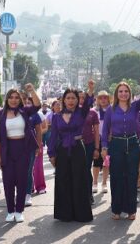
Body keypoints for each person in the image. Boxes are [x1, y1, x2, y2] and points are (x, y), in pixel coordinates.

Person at [47, 81, 95, 222]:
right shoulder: (56, 117)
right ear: (63, 100)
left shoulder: (81, 112)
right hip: (62, 150)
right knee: (63, 180)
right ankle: (65, 214)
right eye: (68, 98)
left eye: (73, 98)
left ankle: (81, 214)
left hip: (78, 148)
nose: (71, 101)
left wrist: (90, 89)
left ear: (77, 100)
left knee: (80, 180)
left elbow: (88, 102)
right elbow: (53, 136)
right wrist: (51, 154)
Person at [102, 78, 140, 220]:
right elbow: (105, 130)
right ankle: (116, 209)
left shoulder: (135, 106)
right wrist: (104, 146)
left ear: (129, 93)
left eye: (126, 91)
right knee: (116, 177)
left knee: (131, 176)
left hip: (133, 144)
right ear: (116, 94)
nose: (123, 94)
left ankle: (131, 210)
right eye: (120, 91)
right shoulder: (111, 109)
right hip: (116, 145)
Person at [0, 84, 41, 223]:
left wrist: (32, 91)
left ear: (20, 99)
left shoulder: (24, 111)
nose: (13, 100)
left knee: (21, 180)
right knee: (8, 181)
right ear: (7, 99)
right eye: (11, 97)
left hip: (23, 148)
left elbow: (37, 105)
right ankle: (10, 210)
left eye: (16, 97)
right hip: (7, 149)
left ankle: (19, 210)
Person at [24, 97, 46, 207]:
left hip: (31, 147)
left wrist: (38, 146)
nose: (27, 104)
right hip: (16, 147)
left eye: (29, 102)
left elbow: (39, 131)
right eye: (24, 101)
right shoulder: (16, 112)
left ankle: (27, 194)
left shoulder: (35, 114)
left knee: (28, 170)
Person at [82, 96, 100, 205]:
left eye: (82, 98)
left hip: (89, 145)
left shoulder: (93, 113)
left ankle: (88, 195)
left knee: (86, 169)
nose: (80, 100)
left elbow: (97, 132)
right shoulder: (72, 112)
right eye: (78, 98)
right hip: (74, 146)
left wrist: (97, 148)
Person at [93, 92, 110, 194]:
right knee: (96, 162)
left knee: (106, 162)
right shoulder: (95, 111)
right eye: (101, 98)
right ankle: (95, 183)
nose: (103, 100)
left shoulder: (112, 110)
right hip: (97, 140)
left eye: (105, 98)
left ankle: (104, 183)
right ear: (98, 100)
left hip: (108, 140)